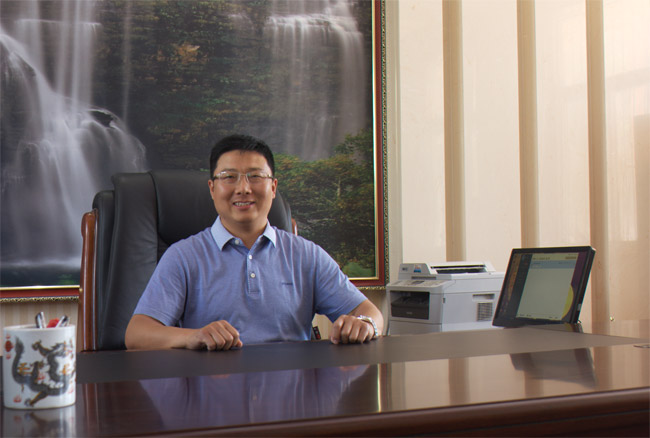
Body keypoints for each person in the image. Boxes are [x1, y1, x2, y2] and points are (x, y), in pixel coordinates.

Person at [125, 134, 383, 351]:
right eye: (229, 177)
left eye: (255, 176)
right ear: (212, 189)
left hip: (293, 389)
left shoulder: (306, 255)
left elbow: (370, 312)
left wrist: (365, 324)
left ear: (273, 187)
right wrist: (193, 336)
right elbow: (137, 334)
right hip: (215, 388)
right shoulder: (183, 256)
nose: (243, 188)